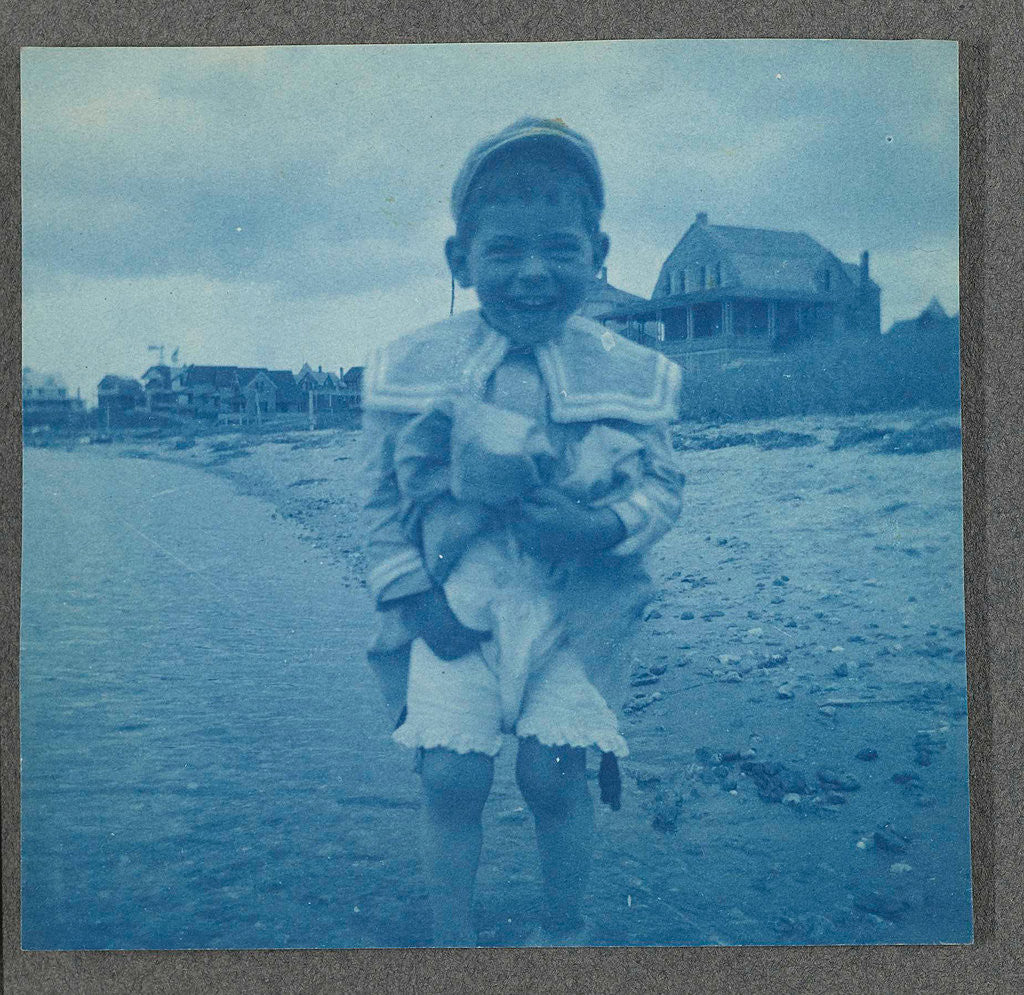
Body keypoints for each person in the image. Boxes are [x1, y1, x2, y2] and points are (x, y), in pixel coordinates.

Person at [360, 118, 684, 947]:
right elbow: (377, 504)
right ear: (459, 262)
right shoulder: (410, 366)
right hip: (453, 599)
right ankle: (452, 940)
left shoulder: (628, 371)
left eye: (560, 248)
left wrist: (598, 525)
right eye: (503, 251)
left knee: (553, 775)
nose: (533, 272)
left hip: (575, 607)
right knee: (451, 775)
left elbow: (662, 486)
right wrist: (419, 601)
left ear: (598, 252)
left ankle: (562, 933)